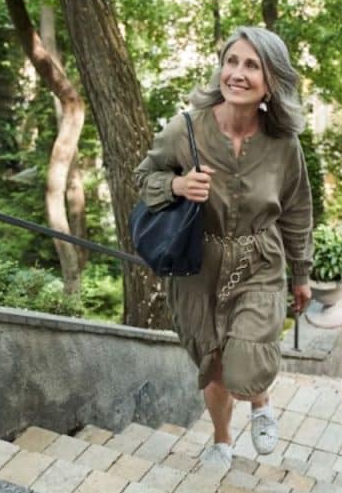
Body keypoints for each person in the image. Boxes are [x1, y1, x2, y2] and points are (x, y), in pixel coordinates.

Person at [134, 27, 314, 470]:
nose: (237, 73)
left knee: (246, 357)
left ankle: (261, 402)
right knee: (212, 363)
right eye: (231, 61)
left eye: (252, 65)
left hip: (259, 261)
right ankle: (221, 440)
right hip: (199, 265)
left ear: (270, 81)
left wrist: (302, 273)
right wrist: (177, 184)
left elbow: (296, 211)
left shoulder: (284, 145)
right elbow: (143, 178)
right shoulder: (185, 129)